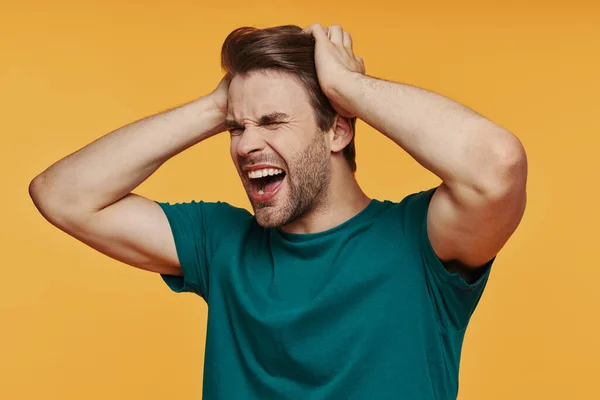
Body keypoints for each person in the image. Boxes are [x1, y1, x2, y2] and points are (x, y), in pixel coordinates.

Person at [29, 23, 528, 400]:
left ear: (337, 130)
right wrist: (216, 107)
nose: (247, 144)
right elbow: (62, 195)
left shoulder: (421, 242)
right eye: (236, 129)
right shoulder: (220, 242)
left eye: (272, 121)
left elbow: (498, 164)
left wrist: (350, 89)